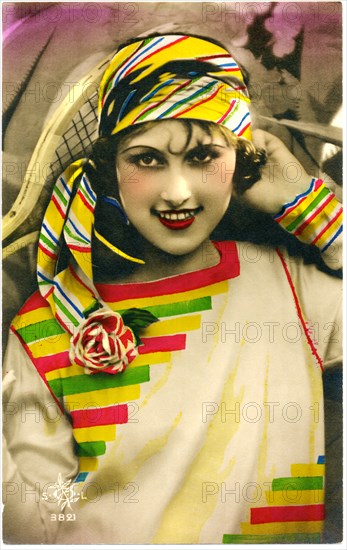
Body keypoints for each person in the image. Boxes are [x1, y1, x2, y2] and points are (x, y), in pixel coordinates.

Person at [2, 33, 342, 545]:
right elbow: (43, 527)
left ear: (242, 161)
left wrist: (308, 204)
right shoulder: (46, 325)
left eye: (204, 157)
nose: (178, 191)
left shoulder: (293, 289)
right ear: (110, 169)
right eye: (147, 159)